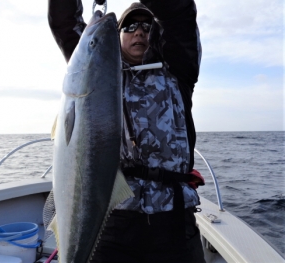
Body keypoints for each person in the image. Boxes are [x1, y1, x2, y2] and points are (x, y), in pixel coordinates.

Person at [48, 0, 205, 262]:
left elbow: (180, 14)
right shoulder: (95, 71)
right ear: (117, 37)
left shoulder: (179, 71)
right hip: (111, 216)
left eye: (148, 25)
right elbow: (65, 22)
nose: (140, 31)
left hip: (174, 218)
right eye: (130, 26)